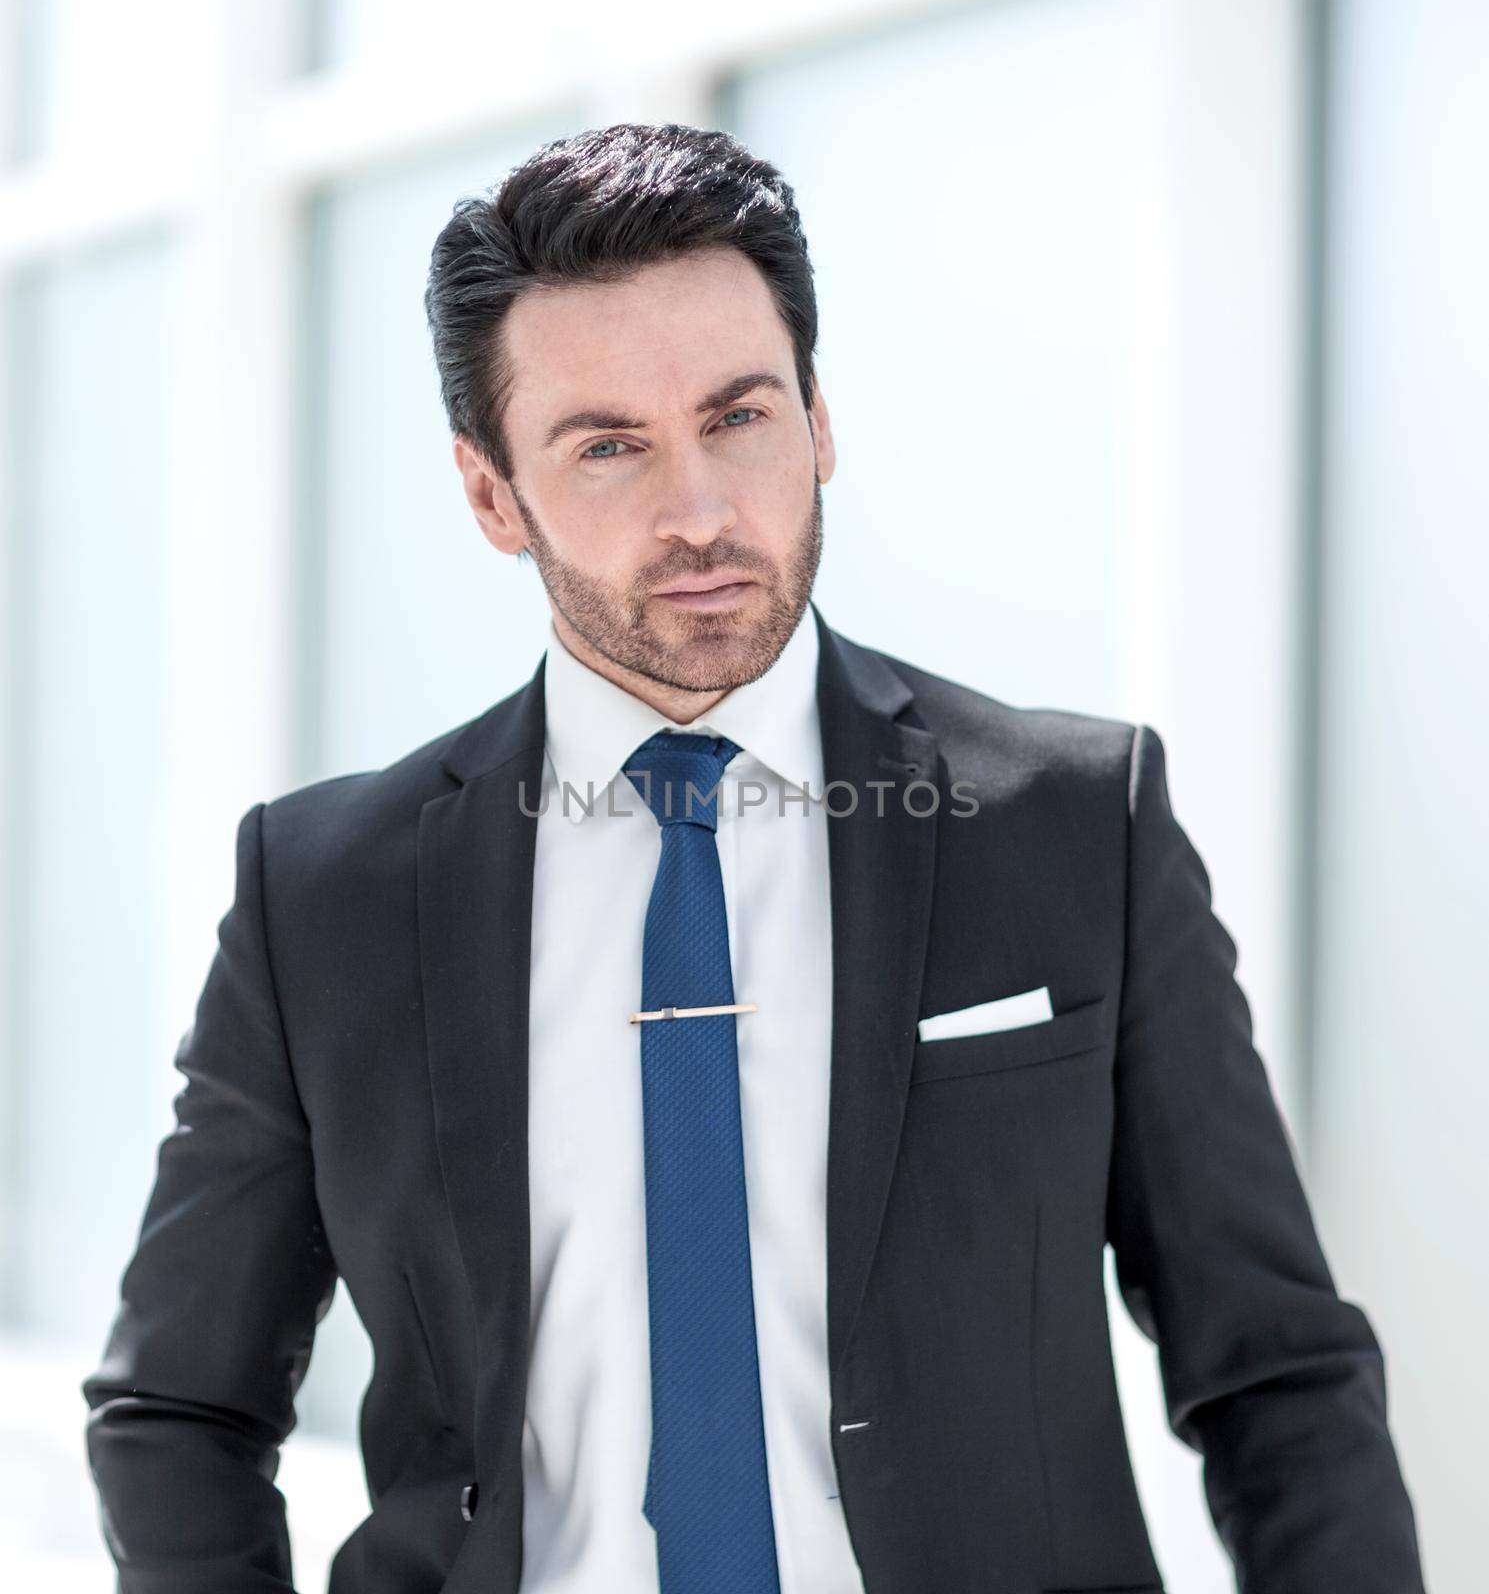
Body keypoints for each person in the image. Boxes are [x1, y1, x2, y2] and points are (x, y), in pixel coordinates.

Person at [81, 122, 1424, 1594]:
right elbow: (180, 1405)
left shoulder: (1070, 824)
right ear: (488, 493)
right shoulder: (323, 895)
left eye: (739, 417)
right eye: (608, 448)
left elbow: (1274, 1374)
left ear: (819, 421)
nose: (702, 511)